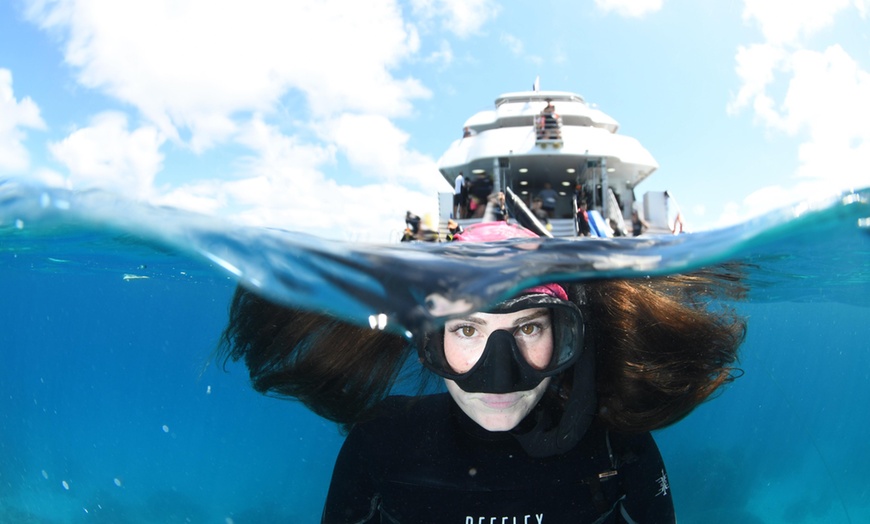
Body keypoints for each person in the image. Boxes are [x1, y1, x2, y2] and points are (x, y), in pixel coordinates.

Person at [218, 222, 746, 523]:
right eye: (467, 331)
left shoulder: (618, 449)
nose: (499, 377)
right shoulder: (379, 443)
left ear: (569, 337)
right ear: (430, 341)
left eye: (530, 329)